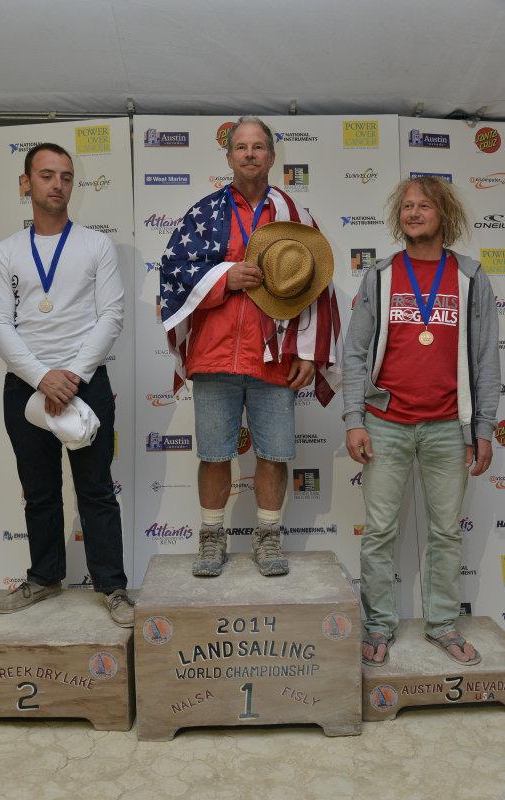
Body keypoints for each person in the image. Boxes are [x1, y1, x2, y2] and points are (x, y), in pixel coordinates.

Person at [160, 116, 341, 578]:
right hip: (215, 353)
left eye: (258, 146)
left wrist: (307, 351)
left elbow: (318, 284)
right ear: (228, 157)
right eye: (241, 147)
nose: (250, 154)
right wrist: (225, 277)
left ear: (272, 157)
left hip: (274, 356)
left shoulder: (294, 217)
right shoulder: (204, 212)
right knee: (214, 454)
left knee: (275, 452)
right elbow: (173, 271)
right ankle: (211, 538)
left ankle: (267, 537)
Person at [343, 175, 500, 665]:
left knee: (446, 532)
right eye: (407, 206)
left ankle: (443, 625)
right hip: (385, 422)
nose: (413, 213)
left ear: (444, 215)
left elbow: (486, 361)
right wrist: (354, 417)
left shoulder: (471, 277)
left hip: (448, 427)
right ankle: (378, 627)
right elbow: (354, 351)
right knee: (380, 531)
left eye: (424, 206)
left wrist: (483, 428)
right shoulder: (382, 275)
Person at [0, 143, 134, 626]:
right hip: (25, 385)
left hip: (84, 382)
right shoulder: (6, 252)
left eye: (66, 177)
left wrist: (71, 376)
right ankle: (45, 577)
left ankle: (112, 586)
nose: (58, 185)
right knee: (40, 491)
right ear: (25, 183)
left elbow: (111, 315)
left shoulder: (95, 245)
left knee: (95, 490)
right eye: (47, 175)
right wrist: (41, 377)